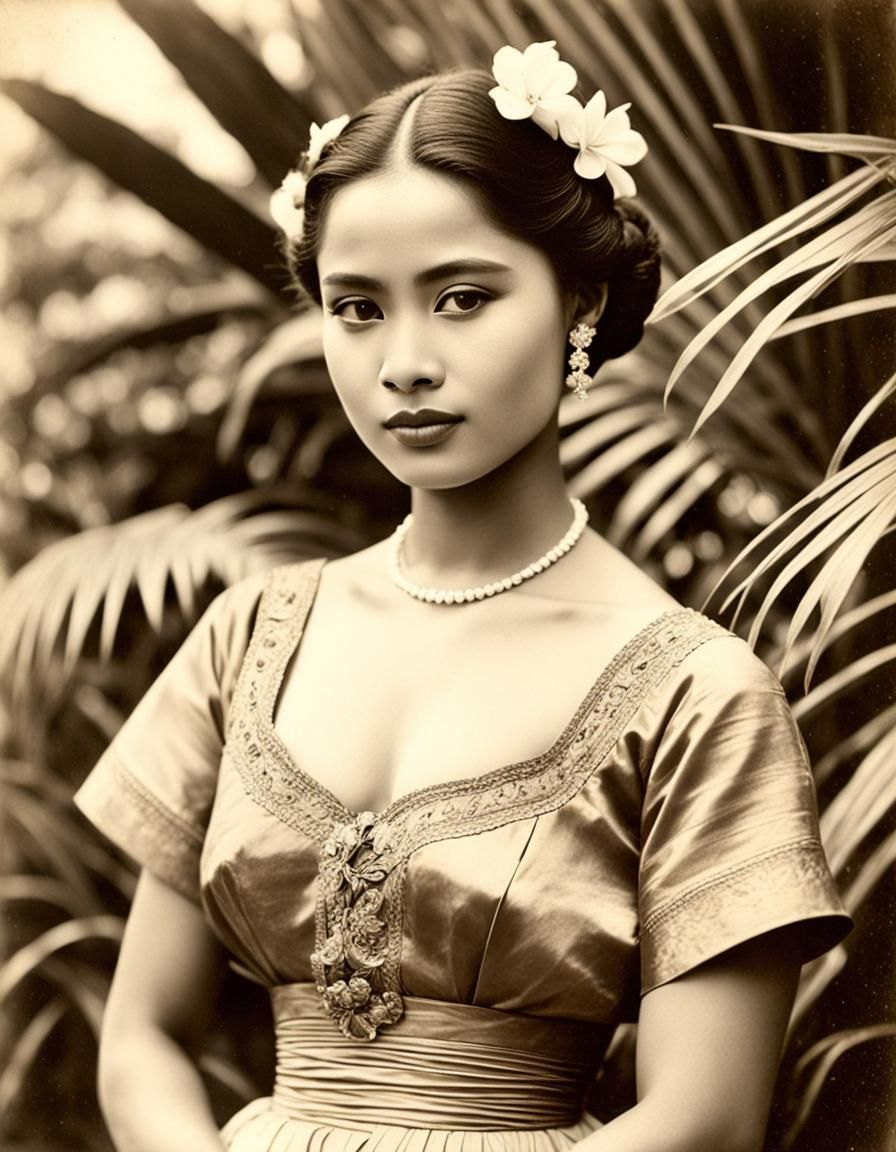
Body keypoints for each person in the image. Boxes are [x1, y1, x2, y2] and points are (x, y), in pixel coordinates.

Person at [74, 41, 851, 1152]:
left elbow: (704, 1119)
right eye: (356, 307)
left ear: (578, 300)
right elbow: (141, 1032)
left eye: (461, 297)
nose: (404, 362)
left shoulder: (696, 697)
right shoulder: (250, 636)